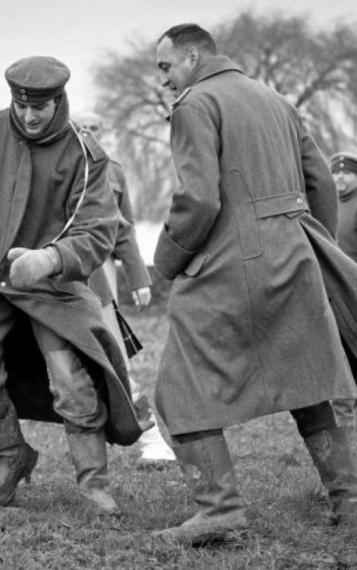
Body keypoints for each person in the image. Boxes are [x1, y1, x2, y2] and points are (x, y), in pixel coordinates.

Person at [152, 23, 357, 545]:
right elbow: (320, 183)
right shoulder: (276, 99)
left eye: (166, 67)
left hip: (229, 260)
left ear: (193, 58)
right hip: (293, 252)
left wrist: (169, 260)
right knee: (305, 374)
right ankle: (348, 499)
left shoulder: (194, 105)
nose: (163, 80)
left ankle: (219, 511)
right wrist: (310, 244)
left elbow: (199, 200)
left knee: (178, 385)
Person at [0, 55, 142, 516]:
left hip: (52, 286)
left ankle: (93, 485)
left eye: (40, 107)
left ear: (59, 100)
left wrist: (50, 258)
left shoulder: (86, 154)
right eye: (22, 107)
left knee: (69, 378)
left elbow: (98, 232)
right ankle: (12, 456)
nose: (30, 116)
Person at [74, 111, 176, 468]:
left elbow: (124, 227)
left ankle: (152, 438)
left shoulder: (112, 170)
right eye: (80, 127)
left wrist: (139, 278)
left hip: (99, 275)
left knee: (113, 358)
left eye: (95, 128)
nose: (87, 132)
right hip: (46, 276)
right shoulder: (53, 164)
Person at [330, 152, 357, 426]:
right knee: (340, 353)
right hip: (334, 290)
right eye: (335, 172)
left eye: (345, 172)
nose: (339, 176)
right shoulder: (327, 203)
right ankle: (343, 415)